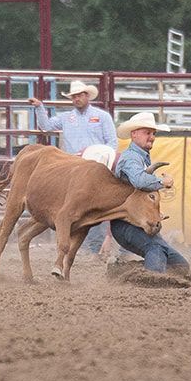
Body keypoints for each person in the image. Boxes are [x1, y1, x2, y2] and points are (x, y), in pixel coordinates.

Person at [27, 79, 116, 257]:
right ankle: (83, 247)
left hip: (94, 169)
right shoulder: (67, 117)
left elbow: (112, 143)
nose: (76, 99)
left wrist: (105, 160)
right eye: (74, 96)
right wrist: (39, 107)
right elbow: (46, 126)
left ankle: (90, 246)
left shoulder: (102, 116)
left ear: (87, 96)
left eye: (79, 95)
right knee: (77, 207)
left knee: (91, 207)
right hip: (74, 169)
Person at [109, 112, 190, 275]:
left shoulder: (141, 158)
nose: (152, 137)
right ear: (134, 134)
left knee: (180, 265)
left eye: (153, 133)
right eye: (147, 132)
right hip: (126, 223)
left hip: (136, 223)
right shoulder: (131, 158)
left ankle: (124, 272)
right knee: (156, 249)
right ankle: (152, 279)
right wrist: (162, 182)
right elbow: (139, 181)